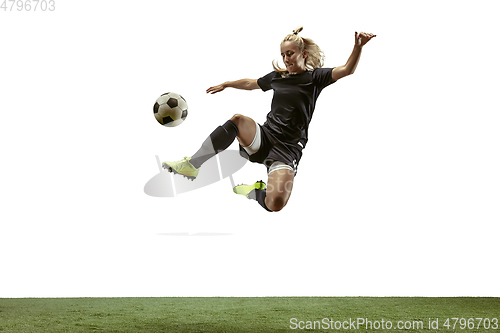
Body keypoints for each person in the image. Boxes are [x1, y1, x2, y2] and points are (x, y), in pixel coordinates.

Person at [163, 27, 376, 212]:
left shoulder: (315, 78)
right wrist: (227, 83)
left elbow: (347, 70)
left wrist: (358, 47)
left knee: (275, 204)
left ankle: (256, 192)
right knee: (238, 120)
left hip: (288, 148)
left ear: (303, 54)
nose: (286, 59)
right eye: (283, 55)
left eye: (290, 54)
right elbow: (251, 83)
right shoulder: (278, 77)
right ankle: (193, 165)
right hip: (265, 136)